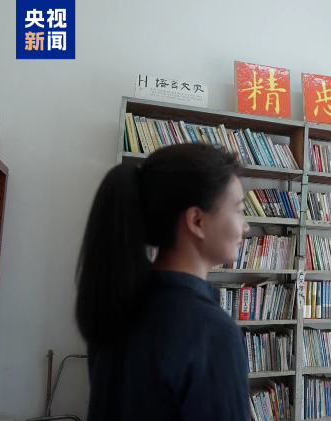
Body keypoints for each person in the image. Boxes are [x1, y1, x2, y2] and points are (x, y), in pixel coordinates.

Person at [76, 143, 250, 420]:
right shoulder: (212, 333)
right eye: (239, 210)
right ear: (197, 221)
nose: (245, 226)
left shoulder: (116, 303)